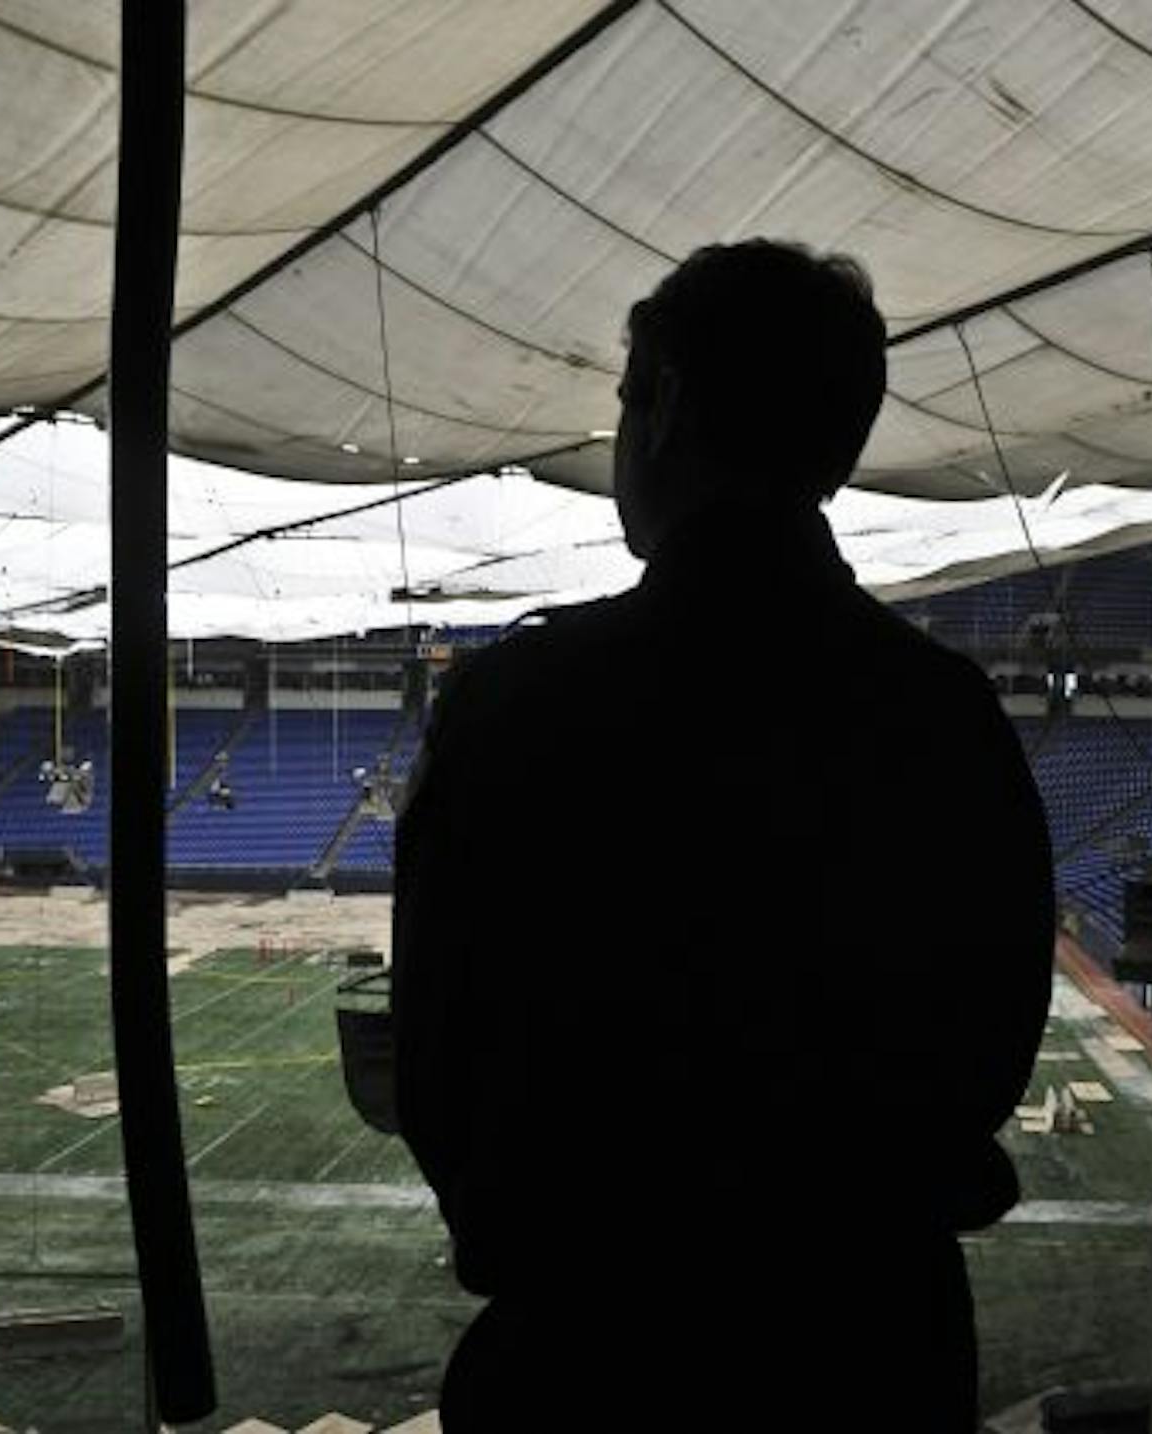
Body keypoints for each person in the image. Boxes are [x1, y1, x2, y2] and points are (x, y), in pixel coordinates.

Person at [391, 239, 1055, 1431]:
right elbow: (988, 1049)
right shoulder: (943, 714)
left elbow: (443, 1064)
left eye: (626, 396)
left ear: (670, 408)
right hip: (870, 1352)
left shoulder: (521, 702)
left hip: (593, 1357)